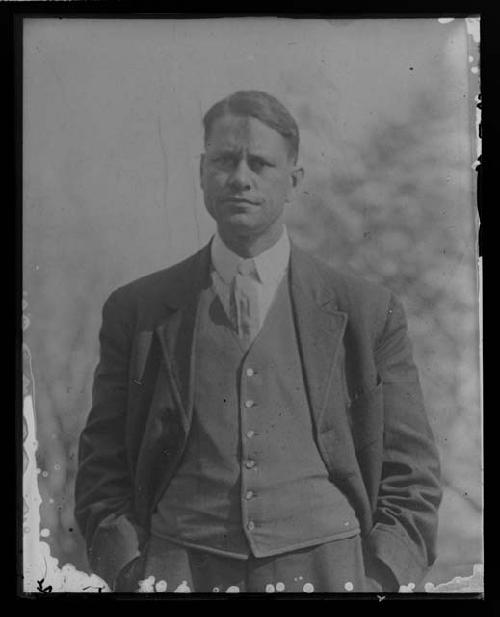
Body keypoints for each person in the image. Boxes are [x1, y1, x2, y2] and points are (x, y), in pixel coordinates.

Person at [74, 90, 442, 593]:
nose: (241, 178)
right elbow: (102, 463)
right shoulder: (137, 310)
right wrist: (125, 567)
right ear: (202, 171)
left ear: (294, 181)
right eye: (225, 160)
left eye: (261, 163)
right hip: (177, 572)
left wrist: (379, 576)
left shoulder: (367, 311)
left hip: (330, 573)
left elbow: (413, 472)